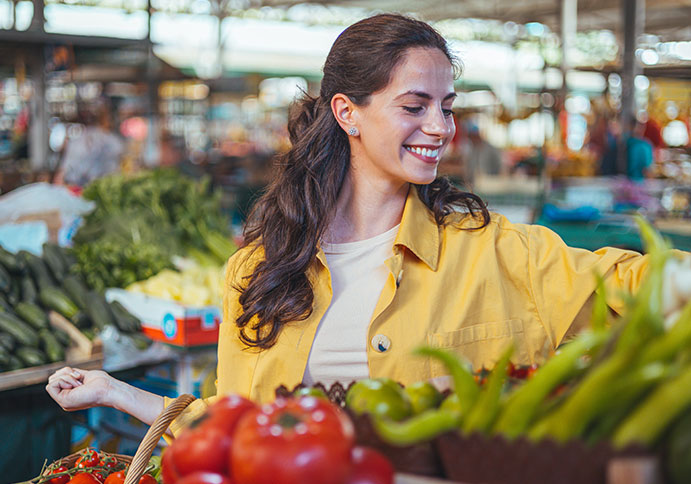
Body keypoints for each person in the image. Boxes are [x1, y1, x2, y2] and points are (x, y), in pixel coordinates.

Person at [47, 14, 654, 435]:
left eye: (447, 107)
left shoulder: (493, 249)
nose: (441, 127)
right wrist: (116, 393)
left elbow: (634, 285)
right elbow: (233, 429)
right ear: (347, 113)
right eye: (414, 107)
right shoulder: (257, 272)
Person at [53, 105, 124, 187]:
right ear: (104, 119)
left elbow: (62, 173)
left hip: (79, 190)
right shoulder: (112, 140)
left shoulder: (76, 141)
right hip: (106, 188)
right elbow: (121, 160)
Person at [625, 117, 653, 181]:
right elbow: (647, 169)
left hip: (630, 181)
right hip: (638, 182)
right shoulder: (643, 146)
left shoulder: (645, 145)